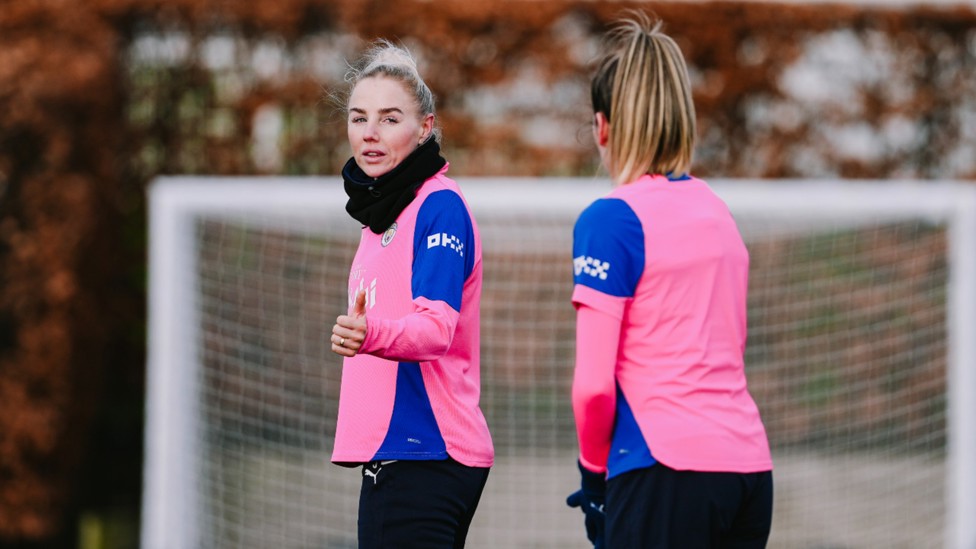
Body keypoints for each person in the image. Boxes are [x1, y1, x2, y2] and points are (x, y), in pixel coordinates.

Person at [566, 13, 774, 549]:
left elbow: (593, 386)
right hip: (748, 471)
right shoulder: (718, 214)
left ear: (603, 127)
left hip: (665, 469)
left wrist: (594, 480)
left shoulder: (610, 219)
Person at [329, 39, 493, 549]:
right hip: (402, 456)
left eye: (389, 118)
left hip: (425, 451)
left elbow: (436, 327)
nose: (370, 133)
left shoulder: (438, 206)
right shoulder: (382, 218)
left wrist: (368, 332)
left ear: (425, 128)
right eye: (359, 119)